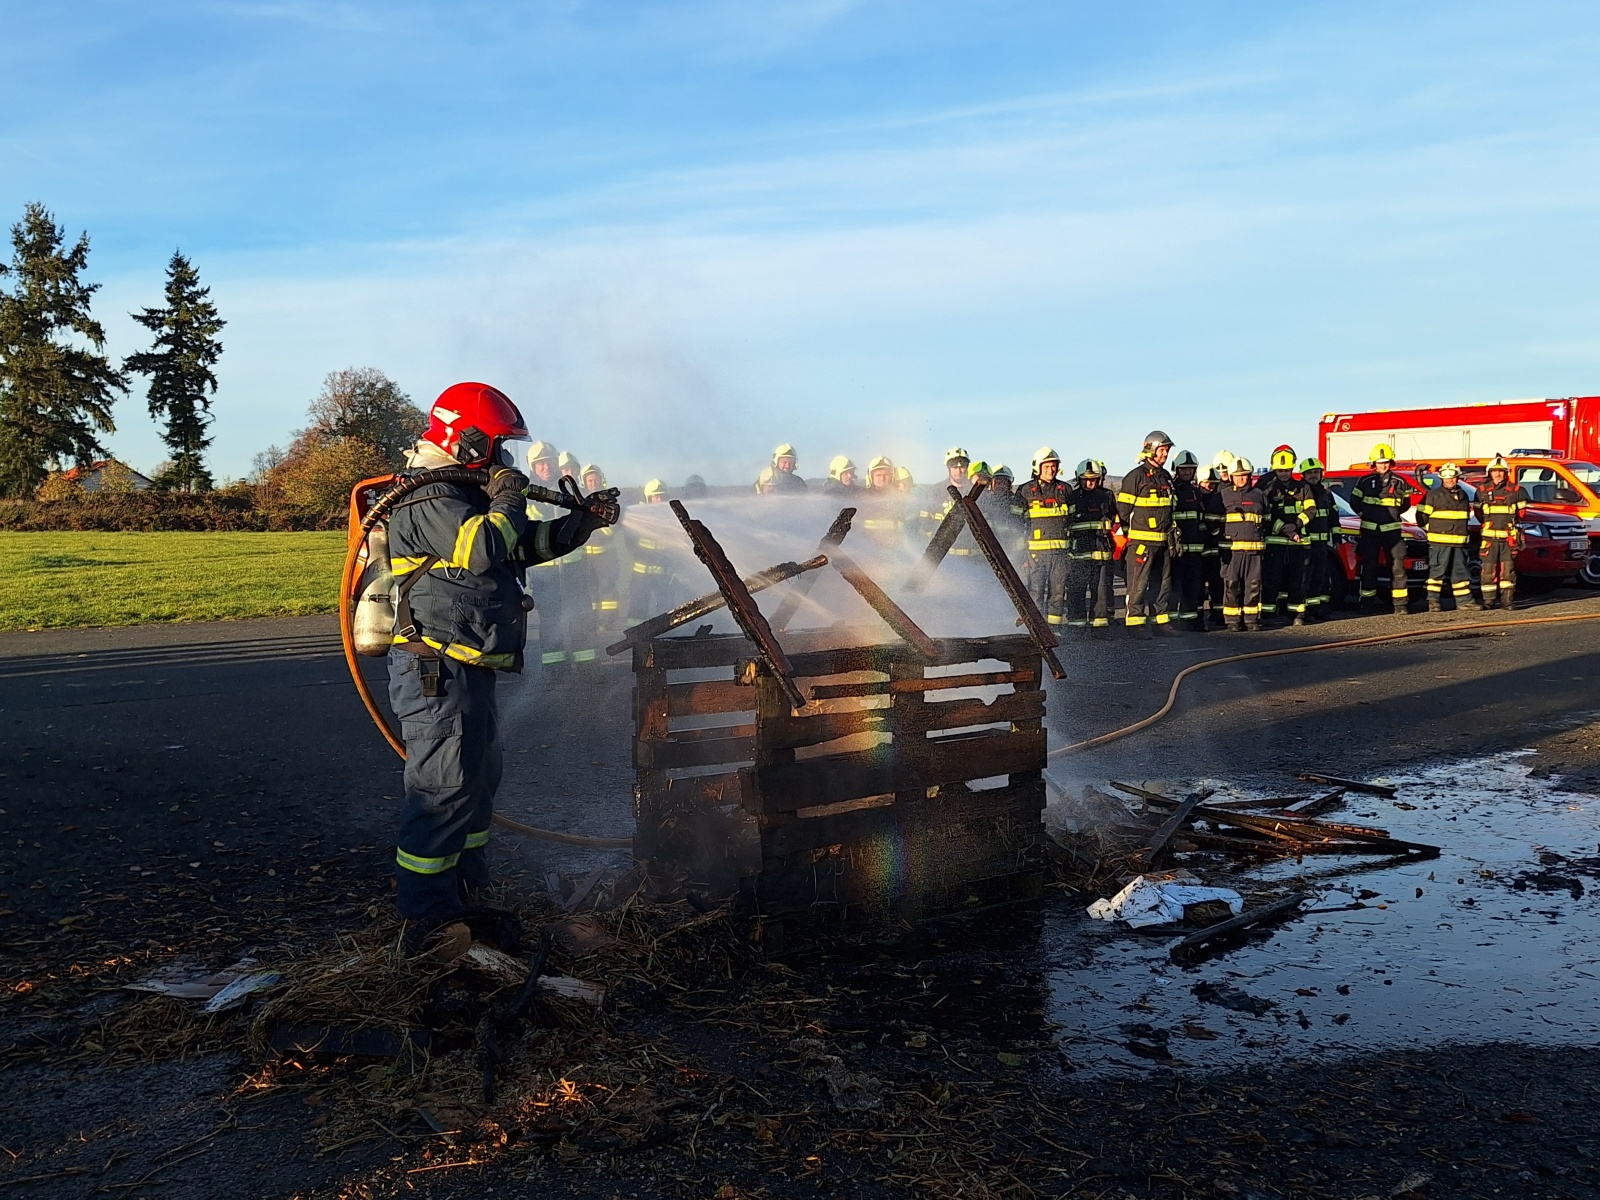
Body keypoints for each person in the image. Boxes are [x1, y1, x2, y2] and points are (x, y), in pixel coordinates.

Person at [388, 382, 612, 950]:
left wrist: (580, 523)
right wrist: (509, 495)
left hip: (467, 661)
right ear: (463, 439)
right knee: (443, 785)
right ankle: (427, 920)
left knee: (478, 780)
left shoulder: (462, 494)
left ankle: (468, 894)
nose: (504, 457)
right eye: (496, 444)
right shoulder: (429, 496)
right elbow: (484, 547)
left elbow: (522, 545)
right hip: (434, 666)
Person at [1116, 430, 1177, 636]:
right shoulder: (1135, 477)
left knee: (1163, 584)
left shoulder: (1166, 477)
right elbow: (1123, 512)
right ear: (1150, 449)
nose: (1165, 454)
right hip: (1141, 543)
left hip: (1164, 542)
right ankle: (1134, 624)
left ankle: (1161, 622)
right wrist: (1130, 537)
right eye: (1162, 450)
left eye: (1167, 450)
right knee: (1138, 585)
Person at [1351, 444, 1413, 615]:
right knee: (1369, 567)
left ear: (1391, 462)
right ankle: (1367, 604)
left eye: (1386, 462)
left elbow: (1406, 504)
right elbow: (1354, 502)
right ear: (1374, 463)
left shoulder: (1400, 482)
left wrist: (1391, 516)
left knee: (1397, 567)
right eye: (1380, 463)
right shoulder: (1363, 482)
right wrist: (1366, 514)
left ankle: (1400, 605)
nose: (1383, 466)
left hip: (1392, 533)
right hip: (1370, 533)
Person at [524, 441, 569, 671]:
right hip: (544, 571)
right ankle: (554, 666)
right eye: (540, 464)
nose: (545, 467)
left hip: (574, 569)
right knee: (550, 619)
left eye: (549, 462)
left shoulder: (568, 491)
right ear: (533, 467)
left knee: (580, 615)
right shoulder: (526, 496)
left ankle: (588, 664)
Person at [1017, 447, 1071, 630]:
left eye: (1054, 466)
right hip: (1036, 554)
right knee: (1036, 592)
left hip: (1060, 554)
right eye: (1046, 466)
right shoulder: (1025, 491)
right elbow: (1016, 523)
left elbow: (1071, 521)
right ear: (1037, 468)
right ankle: (1037, 630)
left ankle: (1054, 631)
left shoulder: (1066, 490)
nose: (1051, 470)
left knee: (1057, 593)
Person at [1261, 447, 1313, 626]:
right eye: (1280, 471)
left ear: (1292, 470)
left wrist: (1297, 524)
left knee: (1296, 581)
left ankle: (1297, 615)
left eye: (1287, 470)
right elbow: (1263, 513)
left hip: (1297, 544)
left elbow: (1311, 510)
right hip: (1274, 542)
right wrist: (1283, 528)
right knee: (1271, 580)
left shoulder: (1303, 487)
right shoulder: (1267, 488)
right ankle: (1269, 615)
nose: (1284, 474)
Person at [1416, 463, 1477, 612]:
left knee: (1460, 573)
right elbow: (1421, 517)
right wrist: (1432, 531)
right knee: (1437, 572)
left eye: (1453, 478)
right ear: (1442, 479)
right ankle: (1433, 602)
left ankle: (1464, 602)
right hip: (1440, 542)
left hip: (1459, 542)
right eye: (1447, 478)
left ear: (1457, 478)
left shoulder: (1462, 495)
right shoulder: (1433, 495)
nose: (1450, 481)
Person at [1066, 459, 1117, 633]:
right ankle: (1077, 627)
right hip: (1078, 554)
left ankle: (1100, 628)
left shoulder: (1107, 496)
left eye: (1093, 479)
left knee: (1101, 591)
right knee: (1076, 590)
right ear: (1078, 479)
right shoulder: (1072, 498)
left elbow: (1114, 520)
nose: (1090, 483)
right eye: (1086, 479)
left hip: (1101, 552)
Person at [1474, 455, 1529, 610]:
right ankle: (1488, 602)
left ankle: (1507, 602)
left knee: (1508, 572)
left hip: (1508, 540)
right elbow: (1478, 514)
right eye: (1495, 471)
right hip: (1489, 540)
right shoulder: (1481, 491)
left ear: (1506, 473)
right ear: (1489, 473)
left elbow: (1522, 514)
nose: (1498, 475)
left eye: (1501, 471)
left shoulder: (1517, 491)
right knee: (1487, 571)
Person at [1220, 457, 1266, 631]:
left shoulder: (1259, 496)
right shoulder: (1223, 496)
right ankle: (1232, 621)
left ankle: (1251, 619)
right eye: (1238, 476)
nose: (1241, 479)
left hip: (1254, 551)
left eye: (1245, 475)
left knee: (1253, 585)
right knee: (1231, 584)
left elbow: (1268, 520)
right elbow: (1213, 521)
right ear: (1231, 476)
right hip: (1232, 553)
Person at [1170, 451, 1209, 632]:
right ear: (1177, 470)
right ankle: (1170, 622)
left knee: (1193, 586)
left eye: (1190, 469)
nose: (1186, 472)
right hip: (1176, 550)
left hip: (1194, 550)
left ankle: (1190, 622)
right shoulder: (1171, 489)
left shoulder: (1196, 492)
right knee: (1173, 587)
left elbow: (1200, 519)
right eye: (1183, 469)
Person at [1299, 458, 1338, 620]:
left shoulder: (1326, 494)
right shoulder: (1300, 492)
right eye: (1310, 473)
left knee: (1320, 576)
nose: (1313, 475)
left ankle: (1319, 608)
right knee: (1305, 578)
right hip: (1306, 543)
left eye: (1316, 472)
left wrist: (1336, 536)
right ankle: (1305, 610)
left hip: (1322, 544)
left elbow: (1333, 517)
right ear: (1303, 475)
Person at [1198, 463, 1227, 627]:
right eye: (1207, 483)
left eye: (1213, 484)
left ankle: (1218, 614)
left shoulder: (1220, 499)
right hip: (1199, 550)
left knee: (1218, 585)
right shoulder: (1195, 499)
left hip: (1216, 550)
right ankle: (1198, 615)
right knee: (1198, 586)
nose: (1210, 486)